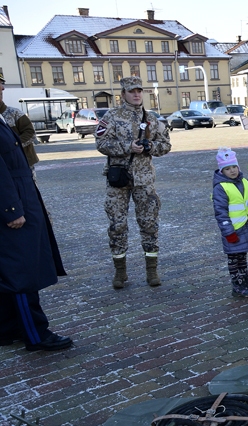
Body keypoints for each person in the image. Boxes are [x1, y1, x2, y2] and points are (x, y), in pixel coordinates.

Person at [0, 115, 72, 351]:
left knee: (15, 269)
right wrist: (10, 209)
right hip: (12, 203)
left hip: (20, 196)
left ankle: (9, 328)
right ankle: (36, 333)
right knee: (21, 271)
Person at [96, 76, 171, 289]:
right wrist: (127, 147)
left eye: (139, 90)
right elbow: (101, 143)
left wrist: (149, 147)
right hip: (118, 179)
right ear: (123, 94)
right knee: (117, 225)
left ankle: (152, 271)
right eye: (132, 91)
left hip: (144, 181)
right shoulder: (111, 117)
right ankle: (120, 273)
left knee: (149, 224)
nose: (137, 94)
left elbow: (165, 145)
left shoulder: (152, 119)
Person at [212, 148, 248, 298]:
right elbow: (221, 213)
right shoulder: (220, 188)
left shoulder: (245, 182)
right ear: (222, 171)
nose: (232, 171)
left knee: (242, 258)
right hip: (233, 230)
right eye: (227, 168)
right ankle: (237, 285)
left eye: (234, 167)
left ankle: (246, 282)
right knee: (234, 259)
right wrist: (229, 232)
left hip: (246, 226)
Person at [0, 74, 40, 182]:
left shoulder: (14, 113)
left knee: (28, 195)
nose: (2, 88)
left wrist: (14, 145)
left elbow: (30, 133)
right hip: (4, 166)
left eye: (1, 85)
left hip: (23, 163)